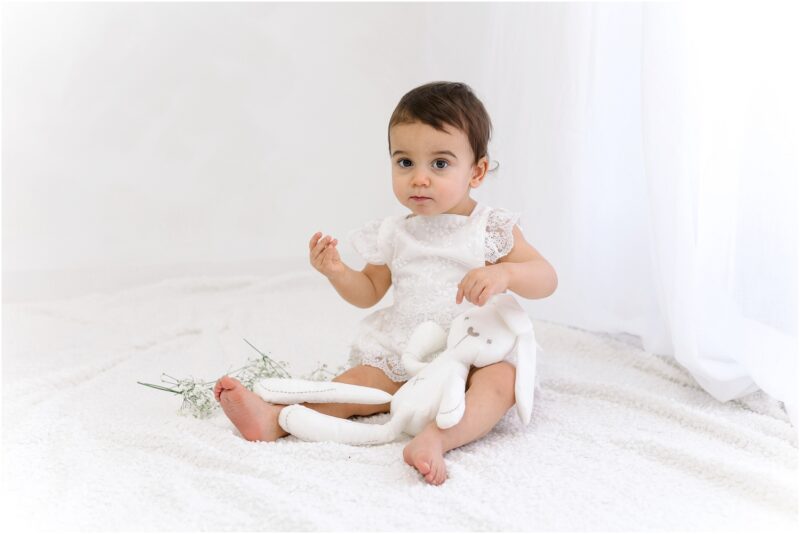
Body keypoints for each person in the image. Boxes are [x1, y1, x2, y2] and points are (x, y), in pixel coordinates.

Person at [214, 81, 558, 485]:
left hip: (472, 354)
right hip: (404, 348)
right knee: (356, 384)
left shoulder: (489, 228)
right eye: (405, 162)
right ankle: (279, 420)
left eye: (440, 164)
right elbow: (369, 292)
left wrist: (506, 273)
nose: (420, 179)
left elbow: (546, 278)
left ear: (477, 171)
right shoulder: (394, 232)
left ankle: (436, 440)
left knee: (500, 384)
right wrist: (338, 272)